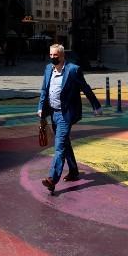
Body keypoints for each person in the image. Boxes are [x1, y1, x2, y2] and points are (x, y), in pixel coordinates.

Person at [37, 44, 101, 194]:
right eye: (51, 55)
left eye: (55, 55)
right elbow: (44, 90)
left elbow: (85, 88)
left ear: (62, 56)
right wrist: (41, 108)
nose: (52, 57)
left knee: (59, 146)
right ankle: (73, 171)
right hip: (52, 112)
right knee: (64, 142)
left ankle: (52, 179)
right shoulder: (48, 69)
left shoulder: (73, 70)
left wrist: (96, 106)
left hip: (66, 114)